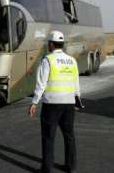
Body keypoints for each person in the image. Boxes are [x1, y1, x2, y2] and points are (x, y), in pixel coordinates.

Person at [28, 30, 82, 173]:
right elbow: (76, 82)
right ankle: (70, 166)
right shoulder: (72, 60)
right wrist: (77, 101)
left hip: (52, 104)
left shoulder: (48, 60)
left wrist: (34, 102)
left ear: (51, 44)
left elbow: (41, 84)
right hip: (69, 103)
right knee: (69, 135)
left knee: (48, 136)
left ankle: (47, 169)